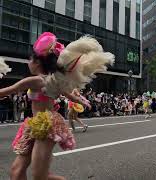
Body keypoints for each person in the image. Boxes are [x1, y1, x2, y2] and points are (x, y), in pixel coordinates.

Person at [5, 32, 114, 180]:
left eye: (30, 59)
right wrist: (81, 100)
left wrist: (80, 100)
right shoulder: (53, 81)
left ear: (37, 62)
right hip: (33, 124)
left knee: (40, 176)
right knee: (16, 172)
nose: (28, 62)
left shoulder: (36, 81)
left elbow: (7, 91)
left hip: (47, 124)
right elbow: (69, 94)